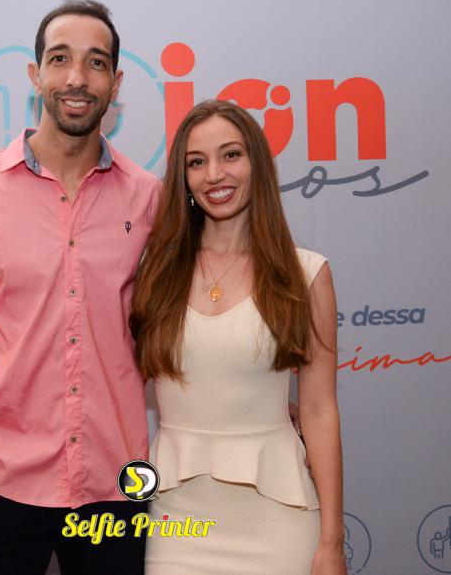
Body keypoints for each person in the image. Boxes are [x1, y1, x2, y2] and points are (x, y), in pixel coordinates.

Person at [0, 0, 161, 575]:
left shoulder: (149, 199)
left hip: (115, 488)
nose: (77, 78)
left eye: (96, 62)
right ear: (35, 75)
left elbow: (174, 327)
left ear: (116, 83)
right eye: (60, 59)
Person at [130, 100, 347, 575]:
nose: (214, 174)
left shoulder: (306, 274)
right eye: (196, 161)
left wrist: (332, 541)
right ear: (183, 178)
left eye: (231, 154)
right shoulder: (154, 274)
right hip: (176, 523)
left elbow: (318, 410)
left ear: (257, 165)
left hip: (279, 520)